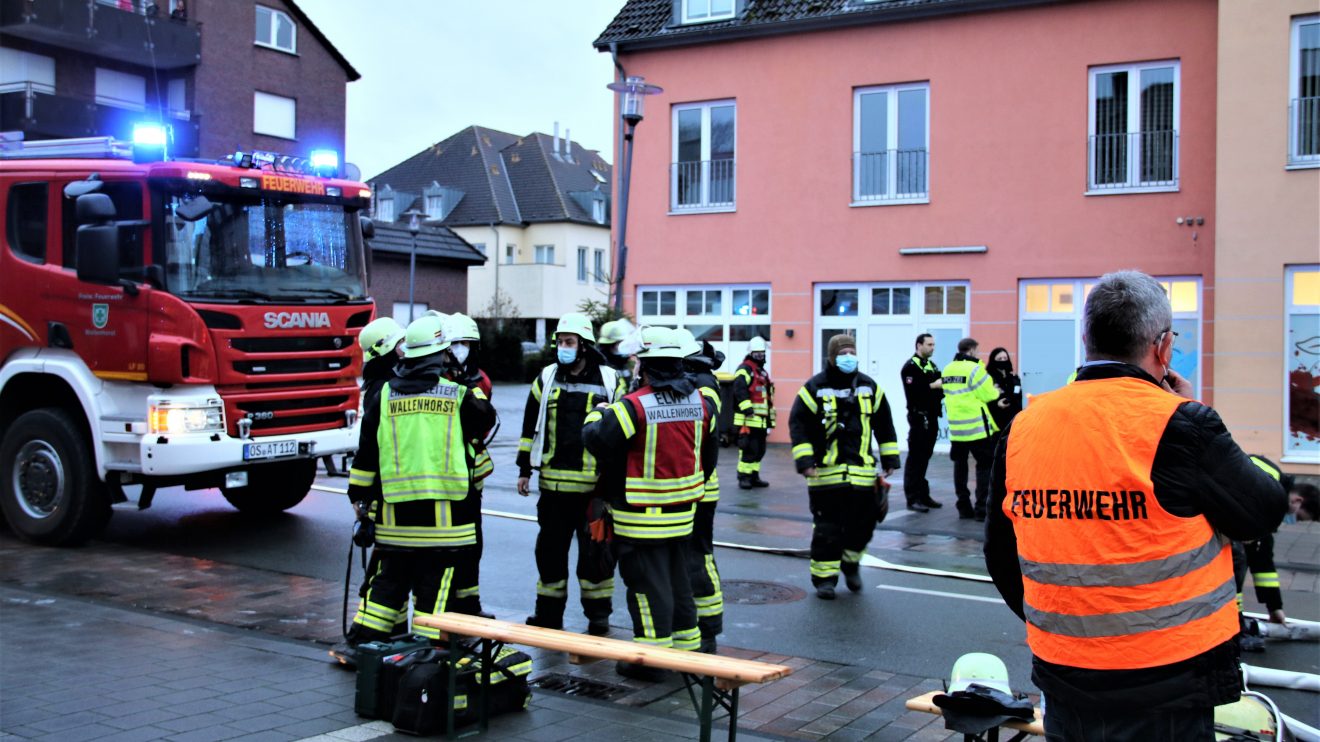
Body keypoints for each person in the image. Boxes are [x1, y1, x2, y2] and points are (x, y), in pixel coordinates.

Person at [984, 270, 1287, 742]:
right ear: (1164, 349)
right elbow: (1262, 511)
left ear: (1086, 339)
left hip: (1065, 676)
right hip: (1167, 680)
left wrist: (1066, 625)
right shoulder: (1185, 425)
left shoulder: (1024, 427)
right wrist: (1200, 417)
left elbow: (1001, 554)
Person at [343, 315, 496, 647]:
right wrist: (465, 381)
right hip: (443, 526)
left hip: (394, 524)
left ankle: (362, 644)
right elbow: (487, 419)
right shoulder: (457, 394)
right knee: (433, 594)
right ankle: (427, 656)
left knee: (387, 585)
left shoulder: (382, 396)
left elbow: (366, 456)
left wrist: (359, 499)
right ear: (441, 354)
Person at [582, 327, 717, 680]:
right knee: (677, 582)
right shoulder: (700, 402)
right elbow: (709, 451)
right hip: (683, 514)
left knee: (644, 586)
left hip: (640, 518)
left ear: (645, 365)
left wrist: (597, 413)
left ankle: (651, 660)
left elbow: (597, 439)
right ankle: (686, 653)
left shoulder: (634, 405)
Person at [516, 313, 624, 634]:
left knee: (597, 555)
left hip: (595, 490)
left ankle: (598, 616)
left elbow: (622, 431)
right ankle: (548, 615)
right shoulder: (546, 378)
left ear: (584, 345)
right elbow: (529, 427)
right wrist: (524, 469)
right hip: (552, 488)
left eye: (569, 342)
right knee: (549, 555)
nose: (563, 348)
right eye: (560, 342)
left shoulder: (610, 380)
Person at [789, 334, 900, 600]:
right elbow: (799, 424)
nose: (849, 356)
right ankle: (825, 579)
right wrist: (805, 462)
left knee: (863, 526)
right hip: (825, 474)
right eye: (843, 352)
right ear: (831, 356)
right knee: (827, 529)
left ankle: (851, 563)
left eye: (852, 351)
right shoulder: (814, 387)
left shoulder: (869, 386)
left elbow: (884, 424)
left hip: (862, 475)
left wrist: (890, 460)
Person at [677, 329, 727, 653]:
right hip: (691, 485)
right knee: (689, 558)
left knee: (699, 556)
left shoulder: (703, 385)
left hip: (700, 488)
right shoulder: (698, 381)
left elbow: (704, 433)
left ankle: (707, 629)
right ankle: (696, 625)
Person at [443, 313, 495, 618]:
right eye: (456, 343)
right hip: (443, 474)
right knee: (446, 546)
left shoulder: (481, 380)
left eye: (466, 344)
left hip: (471, 475)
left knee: (472, 543)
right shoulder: (437, 379)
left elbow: (482, 422)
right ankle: (447, 605)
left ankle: (469, 606)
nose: (461, 349)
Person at [942, 338, 1000, 521]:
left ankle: (963, 507)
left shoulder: (948, 368)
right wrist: (996, 390)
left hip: (956, 429)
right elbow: (989, 394)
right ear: (973, 350)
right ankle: (981, 508)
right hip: (976, 428)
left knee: (960, 467)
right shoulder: (975, 369)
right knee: (984, 466)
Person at [900, 333, 943, 512]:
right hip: (919, 418)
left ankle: (923, 494)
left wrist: (932, 387)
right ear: (919, 345)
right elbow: (915, 392)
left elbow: (942, 389)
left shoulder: (931, 366)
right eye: (929, 344)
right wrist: (931, 386)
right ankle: (912, 497)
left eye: (934, 344)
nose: (932, 348)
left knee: (925, 457)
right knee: (915, 458)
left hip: (932, 417)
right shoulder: (910, 367)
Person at [732, 336, 774, 489]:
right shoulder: (745, 369)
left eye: (762, 354)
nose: (760, 357)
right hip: (747, 420)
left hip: (761, 420)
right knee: (749, 450)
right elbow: (739, 389)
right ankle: (744, 477)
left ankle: (754, 476)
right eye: (757, 354)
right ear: (751, 354)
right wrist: (747, 408)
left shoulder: (761, 372)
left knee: (760, 450)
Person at [598, 318, 640, 391]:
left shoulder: (622, 362)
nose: (626, 346)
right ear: (610, 344)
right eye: (622, 343)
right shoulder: (602, 367)